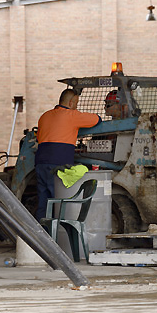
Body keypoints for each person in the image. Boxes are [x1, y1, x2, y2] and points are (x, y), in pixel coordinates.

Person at [35, 88, 101, 220]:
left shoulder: (44, 116)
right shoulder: (72, 115)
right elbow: (97, 119)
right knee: (59, 202)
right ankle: (59, 236)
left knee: (44, 202)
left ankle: (40, 235)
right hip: (58, 164)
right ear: (71, 103)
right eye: (76, 103)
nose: (76, 106)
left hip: (40, 162)